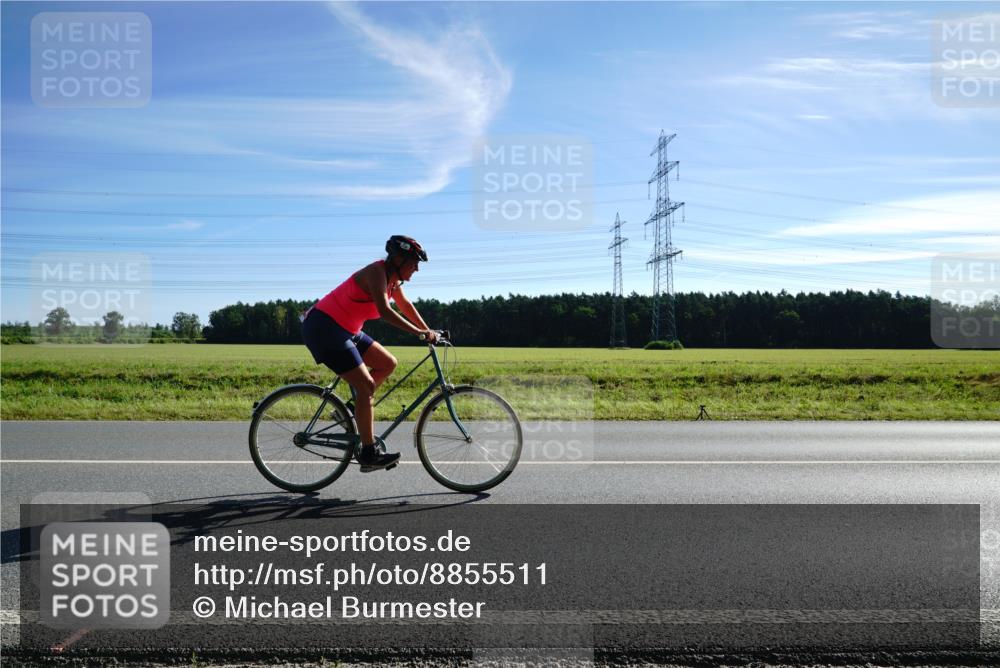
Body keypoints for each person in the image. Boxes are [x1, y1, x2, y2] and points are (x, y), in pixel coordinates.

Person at [301, 235, 438, 471]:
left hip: (346, 330)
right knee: (366, 386)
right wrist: (418, 332)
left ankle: (354, 411)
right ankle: (368, 453)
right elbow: (385, 311)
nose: (416, 268)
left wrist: (427, 330)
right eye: (413, 262)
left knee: (387, 363)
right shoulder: (377, 273)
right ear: (398, 258)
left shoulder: (393, 282)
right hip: (324, 328)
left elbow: (405, 306)